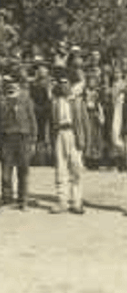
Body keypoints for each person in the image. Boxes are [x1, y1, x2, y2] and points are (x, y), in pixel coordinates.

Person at [0, 76, 36, 209]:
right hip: (6, 139)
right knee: (6, 173)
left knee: (23, 171)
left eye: (15, 84)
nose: (12, 86)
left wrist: (33, 141)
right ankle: (7, 199)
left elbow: (32, 121)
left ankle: (23, 200)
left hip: (23, 138)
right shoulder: (0, 102)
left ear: (19, 86)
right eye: (9, 84)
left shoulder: (26, 100)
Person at [51, 76, 86, 215]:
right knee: (61, 168)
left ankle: (76, 201)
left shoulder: (77, 101)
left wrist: (84, 139)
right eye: (61, 83)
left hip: (74, 134)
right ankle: (62, 201)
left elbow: (84, 121)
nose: (63, 86)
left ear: (70, 85)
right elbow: (51, 122)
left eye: (66, 83)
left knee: (76, 168)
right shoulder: (55, 102)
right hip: (60, 134)